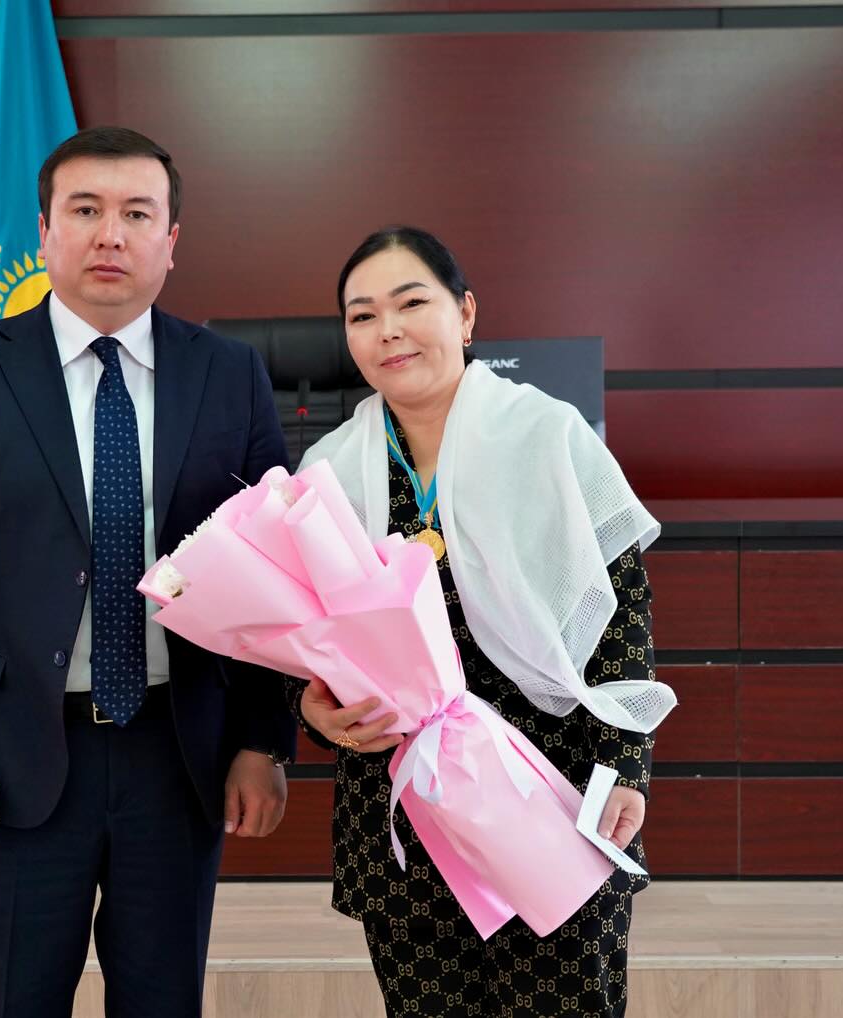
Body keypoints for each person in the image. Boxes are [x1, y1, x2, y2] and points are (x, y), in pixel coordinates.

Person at [0, 125, 297, 1018]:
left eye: (137, 214)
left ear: (170, 241)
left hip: (178, 755)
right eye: (85, 210)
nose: (111, 234)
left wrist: (262, 741)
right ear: (44, 232)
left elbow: (276, 576)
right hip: (16, 759)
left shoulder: (229, 374)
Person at [289, 225, 668, 1018]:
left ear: (464, 314)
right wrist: (313, 707)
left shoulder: (548, 437)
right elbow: (305, 639)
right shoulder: (327, 471)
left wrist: (625, 765)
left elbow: (622, 612)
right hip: (401, 802)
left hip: (549, 788)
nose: (387, 330)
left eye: (410, 303)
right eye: (362, 315)